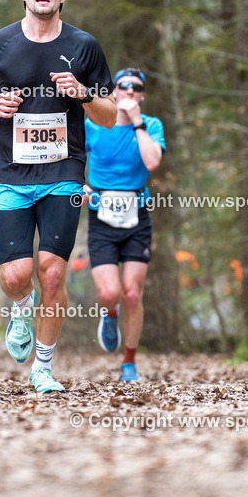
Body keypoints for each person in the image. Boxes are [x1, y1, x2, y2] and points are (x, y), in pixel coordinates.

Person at [0, 0, 116, 393]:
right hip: (9, 172)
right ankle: (20, 307)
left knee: (52, 271)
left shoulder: (84, 47)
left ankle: (43, 367)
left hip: (64, 171)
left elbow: (108, 116)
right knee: (16, 276)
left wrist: (84, 93)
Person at [84, 67, 164, 382]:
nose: (130, 91)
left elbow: (152, 161)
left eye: (136, 88)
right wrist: (83, 186)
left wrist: (138, 122)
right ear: (112, 91)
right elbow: (71, 156)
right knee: (110, 293)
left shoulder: (152, 125)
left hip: (136, 217)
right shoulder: (92, 124)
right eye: (123, 86)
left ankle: (129, 363)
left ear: (142, 95)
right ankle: (109, 314)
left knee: (132, 293)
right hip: (101, 216)